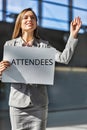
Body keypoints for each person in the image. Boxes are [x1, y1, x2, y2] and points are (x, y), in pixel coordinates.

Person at [0, 8, 82, 130]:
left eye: (33, 17)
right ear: (19, 23)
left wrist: (73, 35)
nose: (29, 19)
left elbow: (64, 58)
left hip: (39, 106)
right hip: (17, 105)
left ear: (36, 23)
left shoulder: (44, 46)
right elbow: (4, 76)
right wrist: (1, 71)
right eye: (26, 17)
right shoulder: (10, 45)